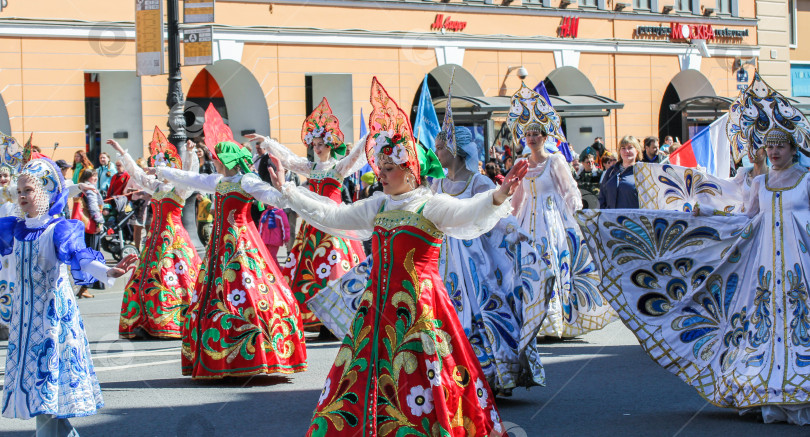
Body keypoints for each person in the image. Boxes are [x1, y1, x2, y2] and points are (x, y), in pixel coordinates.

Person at [251, 78, 511, 435]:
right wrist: (289, 193)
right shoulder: (379, 205)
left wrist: (497, 196)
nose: (382, 175)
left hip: (421, 311)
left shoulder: (430, 205)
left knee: (424, 381)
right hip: (376, 309)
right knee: (365, 378)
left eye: (389, 169)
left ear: (410, 170)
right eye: (380, 168)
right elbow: (333, 215)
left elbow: (468, 213)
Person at [578, 85, 810, 423]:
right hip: (764, 265)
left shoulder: (805, 180)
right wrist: (706, 214)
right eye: (770, 146)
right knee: (766, 319)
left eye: (780, 146)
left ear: (793, 149)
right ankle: (769, 386)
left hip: (800, 262)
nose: (774, 152)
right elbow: (745, 217)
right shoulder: (759, 183)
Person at [1, 157, 137, 437]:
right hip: (24, 322)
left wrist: (108, 271)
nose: (22, 196)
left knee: (45, 390)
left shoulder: (58, 228)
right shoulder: (14, 228)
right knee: (45, 400)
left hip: (52, 320)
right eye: (21, 191)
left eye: (29, 190)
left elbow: (80, 257)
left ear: (46, 192)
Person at [152, 140, 307, 378]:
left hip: (243, 244)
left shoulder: (247, 180)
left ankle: (253, 350)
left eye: (217, 157)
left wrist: (281, 189)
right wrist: (162, 171)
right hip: (219, 248)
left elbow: (273, 199)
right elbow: (189, 178)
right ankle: (223, 353)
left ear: (226, 160)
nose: (213, 161)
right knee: (217, 296)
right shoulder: (218, 181)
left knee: (248, 291)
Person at [245, 98, 366, 331]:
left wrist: (371, 136)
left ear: (330, 144)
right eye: (315, 144)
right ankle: (314, 318)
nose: (317, 148)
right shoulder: (310, 168)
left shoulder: (338, 167)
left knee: (334, 267)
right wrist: (267, 142)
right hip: (312, 227)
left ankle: (336, 318)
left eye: (322, 144)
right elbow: (289, 160)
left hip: (335, 226)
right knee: (310, 268)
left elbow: (355, 156)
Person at [507, 83, 615, 338]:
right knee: (527, 269)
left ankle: (553, 322)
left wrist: (574, 221)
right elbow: (518, 198)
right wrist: (509, 223)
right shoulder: (522, 163)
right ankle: (533, 321)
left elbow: (570, 192)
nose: (531, 138)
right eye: (528, 134)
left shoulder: (555, 161)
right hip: (527, 223)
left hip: (552, 222)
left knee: (551, 265)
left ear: (545, 137)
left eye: (536, 134)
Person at [108, 137, 203, 340]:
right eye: (159, 166)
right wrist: (122, 152)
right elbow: (136, 173)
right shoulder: (157, 187)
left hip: (174, 240)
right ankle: (146, 320)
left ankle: (175, 320)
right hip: (155, 239)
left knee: (174, 278)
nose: (159, 170)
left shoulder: (180, 188)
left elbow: (188, 175)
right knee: (147, 279)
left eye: (164, 166)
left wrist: (189, 153)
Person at [77, 169, 105, 298]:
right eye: (93, 176)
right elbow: (93, 207)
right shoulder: (90, 189)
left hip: (85, 225)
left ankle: (84, 286)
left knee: (88, 255)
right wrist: (100, 221)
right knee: (92, 255)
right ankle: (85, 287)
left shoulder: (83, 188)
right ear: (88, 177)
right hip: (91, 225)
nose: (95, 178)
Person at [599, 135, 641, 209]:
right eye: (623, 148)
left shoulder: (642, 172)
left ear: (637, 150)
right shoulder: (611, 171)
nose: (626, 151)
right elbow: (602, 196)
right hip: (610, 218)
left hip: (632, 219)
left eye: (630, 148)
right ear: (619, 151)